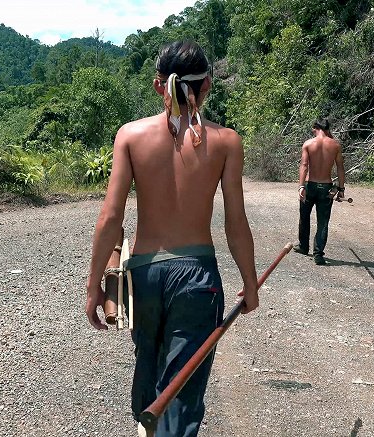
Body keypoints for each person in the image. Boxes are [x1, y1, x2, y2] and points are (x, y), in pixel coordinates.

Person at [85, 40, 258, 437]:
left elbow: (111, 218)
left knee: (150, 370)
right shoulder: (226, 142)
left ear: (157, 85)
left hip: (144, 277)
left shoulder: (129, 136)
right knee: (181, 391)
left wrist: (93, 285)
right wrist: (249, 283)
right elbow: (236, 222)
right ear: (208, 86)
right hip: (197, 279)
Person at [294, 118, 345, 265]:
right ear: (327, 129)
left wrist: (301, 186)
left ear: (315, 128)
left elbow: (304, 166)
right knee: (323, 222)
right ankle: (318, 254)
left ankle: (303, 246)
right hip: (326, 187)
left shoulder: (308, 144)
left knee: (304, 216)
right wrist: (341, 189)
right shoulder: (335, 145)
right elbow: (340, 167)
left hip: (310, 185)